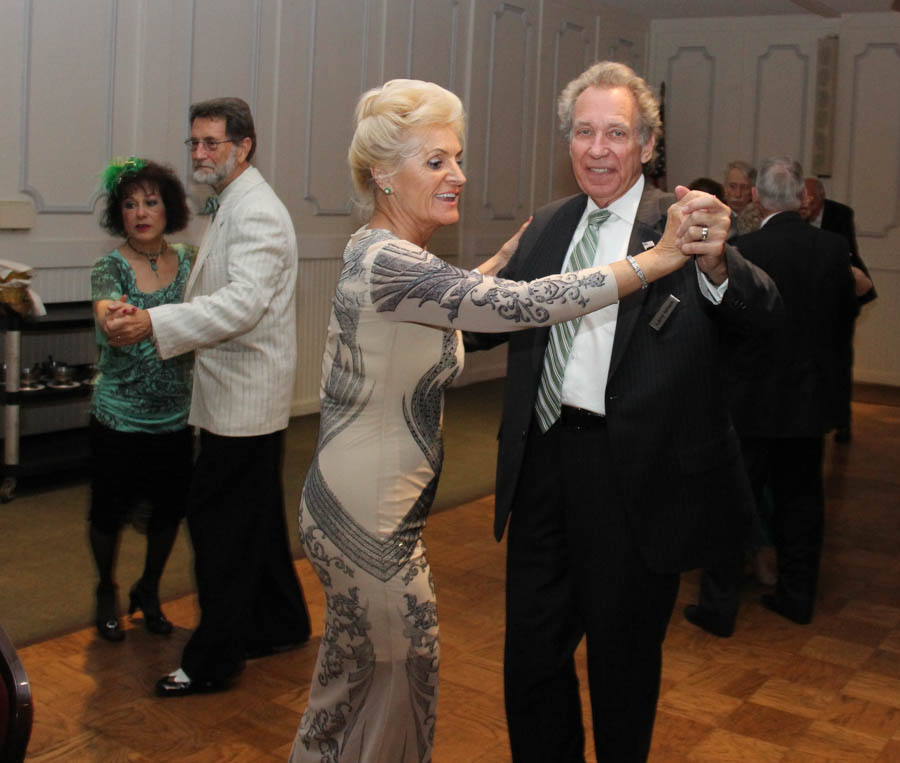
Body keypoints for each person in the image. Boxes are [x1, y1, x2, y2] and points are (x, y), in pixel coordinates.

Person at [288, 78, 727, 763]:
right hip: (368, 521)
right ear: (382, 172)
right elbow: (516, 306)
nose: (457, 174)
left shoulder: (380, 253)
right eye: (436, 161)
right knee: (394, 698)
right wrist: (654, 261)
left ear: (647, 143)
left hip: (356, 502)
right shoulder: (395, 261)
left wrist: (497, 260)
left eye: (455, 157)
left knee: (349, 690)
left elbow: (455, 308)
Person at [466, 62, 782, 761]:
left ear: (646, 144)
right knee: (532, 660)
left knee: (622, 665)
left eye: (616, 132)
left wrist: (719, 262)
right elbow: (488, 319)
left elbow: (763, 321)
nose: (598, 148)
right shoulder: (548, 226)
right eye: (584, 132)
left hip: (637, 477)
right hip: (544, 465)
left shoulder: (684, 220)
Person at [106, 98, 311, 695]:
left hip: (245, 400)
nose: (199, 153)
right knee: (255, 523)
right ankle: (279, 623)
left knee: (220, 529)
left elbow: (242, 307)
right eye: (194, 142)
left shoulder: (256, 214)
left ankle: (214, 660)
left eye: (211, 143)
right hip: (239, 395)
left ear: (244, 146)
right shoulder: (235, 204)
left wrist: (152, 324)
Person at [685, 157, 857, 636]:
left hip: (749, 402)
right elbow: (843, 323)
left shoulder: (743, 248)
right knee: (803, 504)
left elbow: (721, 323)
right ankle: (797, 598)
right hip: (806, 403)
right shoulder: (833, 249)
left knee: (731, 505)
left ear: (757, 199)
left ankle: (718, 609)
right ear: (803, 198)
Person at [90, 157, 195, 643]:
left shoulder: (192, 260)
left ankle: (148, 588)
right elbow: (108, 313)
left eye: (150, 201)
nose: (140, 212)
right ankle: (106, 590)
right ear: (119, 214)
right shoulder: (109, 268)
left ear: (167, 206)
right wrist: (114, 316)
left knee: (168, 512)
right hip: (119, 417)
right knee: (108, 512)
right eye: (129, 204)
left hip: (176, 418)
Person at [801, 177, 876, 443]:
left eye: (811, 197)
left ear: (820, 197)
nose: (806, 202)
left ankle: (842, 422)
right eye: (802, 196)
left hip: (841, 291)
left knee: (840, 359)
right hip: (810, 297)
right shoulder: (795, 213)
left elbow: (848, 254)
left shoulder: (840, 215)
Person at [724, 160, 762, 235]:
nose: (738, 194)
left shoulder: (761, 221)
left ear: (753, 191)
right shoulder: (715, 216)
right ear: (725, 188)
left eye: (744, 187)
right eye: (732, 186)